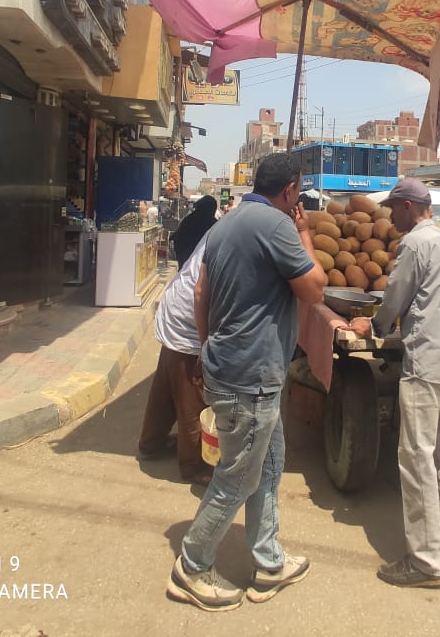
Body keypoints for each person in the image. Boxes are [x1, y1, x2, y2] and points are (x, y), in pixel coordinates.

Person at [166, 153, 326, 612]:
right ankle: (191, 568)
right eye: (300, 191)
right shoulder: (277, 226)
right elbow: (314, 290)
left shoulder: (225, 224)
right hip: (250, 375)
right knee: (237, 478)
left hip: (230, 365)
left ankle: (268, 562)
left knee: (270, 467)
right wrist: (304, 233)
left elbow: (201, 293)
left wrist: (206, 348)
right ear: (291, 191)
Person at [348, 178, 440, 589]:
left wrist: (372, 324)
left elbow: (394, 298)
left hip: (426, 361)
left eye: (395, 208)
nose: (391, 216)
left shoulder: (414, 244)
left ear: (410, 206)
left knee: (415, 457)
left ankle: (426, 563)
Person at [137, 233, 213, 486]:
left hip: (179, 308)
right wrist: (205, 345)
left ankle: (151, 442)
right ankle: (193, 465)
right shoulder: (240, 233)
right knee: (192, 394)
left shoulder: (231, 225)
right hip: (188, 317)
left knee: (167, 385)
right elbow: (202, 292)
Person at [172, 195, 217, 268]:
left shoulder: (188, 220)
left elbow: (177, 240)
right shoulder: (214, 224)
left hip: (186, 262)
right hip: (201, 266)